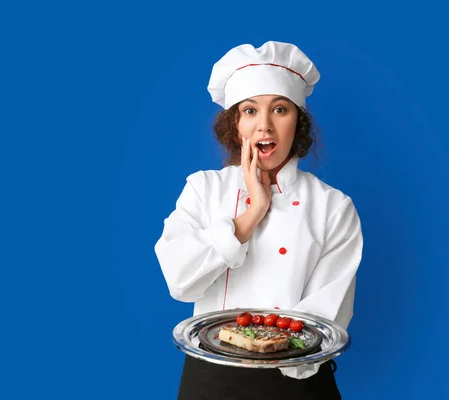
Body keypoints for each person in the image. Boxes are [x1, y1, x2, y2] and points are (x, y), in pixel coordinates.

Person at [154, 41, 363, 399]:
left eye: (279, 109)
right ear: (235, 126)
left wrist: (265, 346)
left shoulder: (334, 207)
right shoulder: (203, 189)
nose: (264, 125)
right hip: (210, 381)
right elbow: (180, 282)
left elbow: (326, 318)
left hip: (298, 383)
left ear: (298, 123)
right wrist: (251, 215)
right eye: (250, 110)